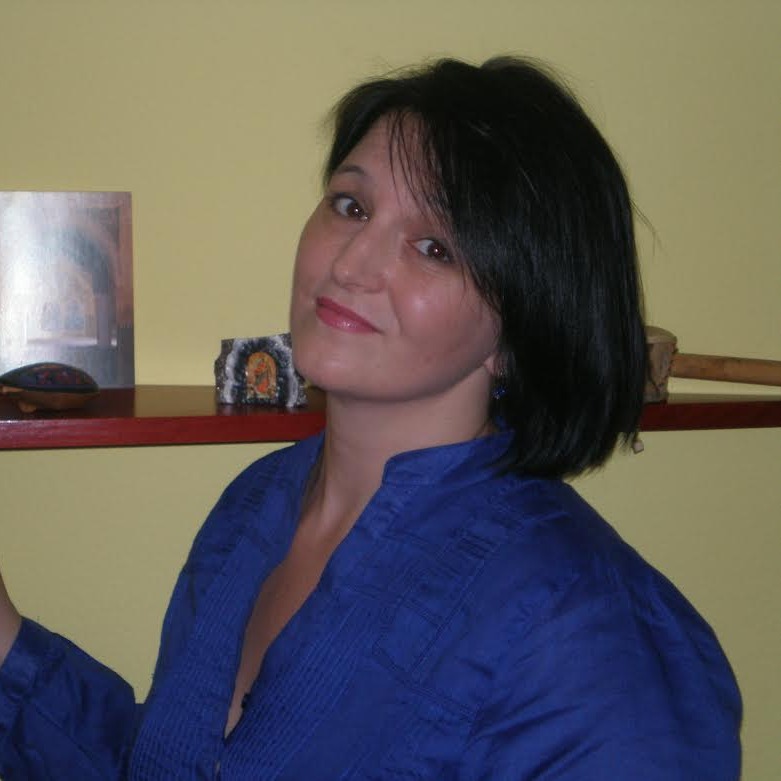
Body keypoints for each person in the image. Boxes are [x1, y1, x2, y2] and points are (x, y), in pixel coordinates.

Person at [0, 56, 741, 780]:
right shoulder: (252, 507)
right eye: (351, 206)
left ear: (519, 333)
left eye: (434, 247)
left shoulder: (587, 627)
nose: (351, 264)